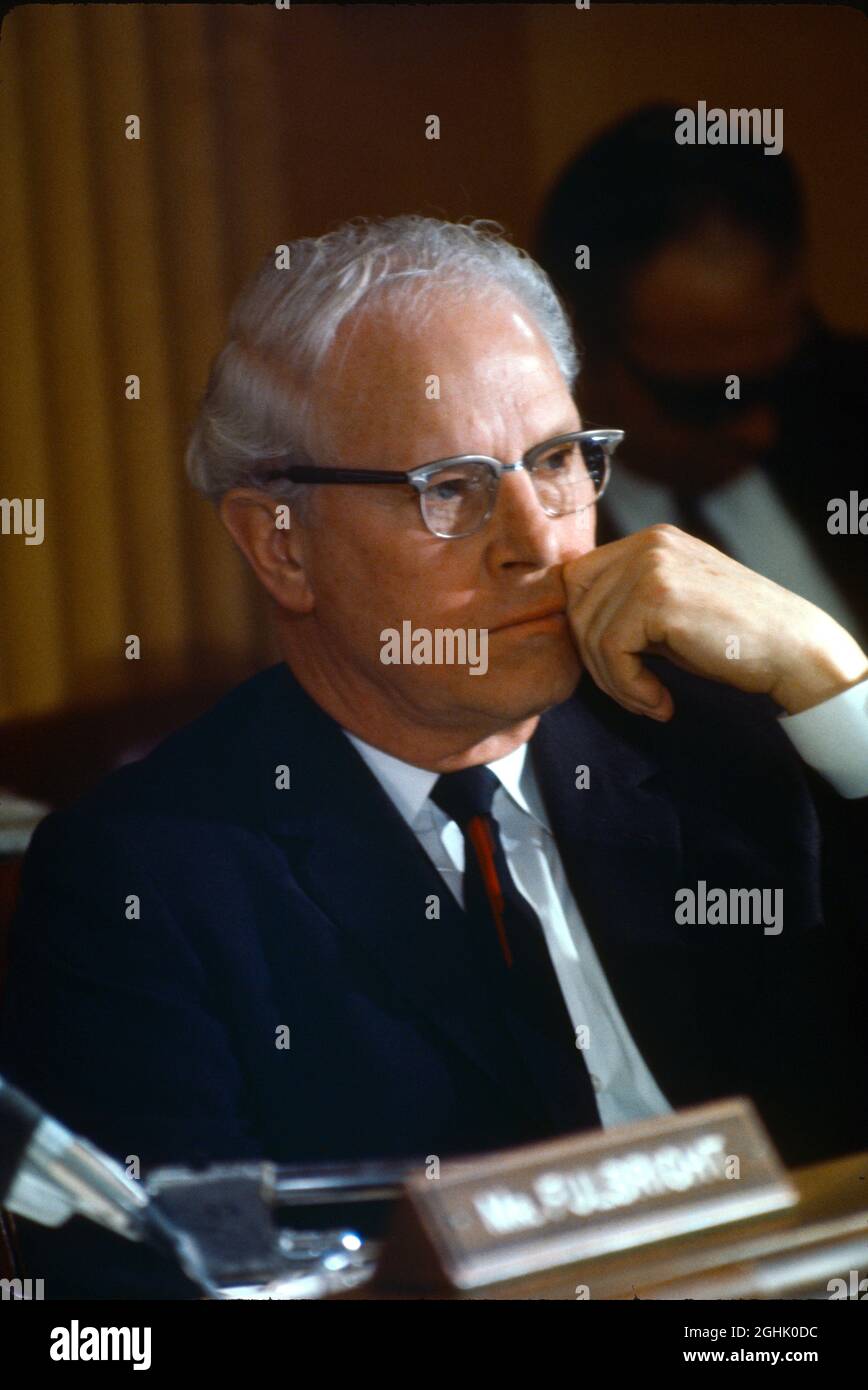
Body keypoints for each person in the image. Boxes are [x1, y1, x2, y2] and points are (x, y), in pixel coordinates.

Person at [1, 216, 866, 1298]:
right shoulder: (147, 884)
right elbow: (139, 1295)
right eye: (448, 487)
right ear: (281, 542)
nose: (536, 540)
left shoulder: (727, 737)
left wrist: (842, 689)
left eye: (555, 461)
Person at [534, 104, 868, 646]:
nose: (758, 429)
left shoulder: (850, 414)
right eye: (705, 400)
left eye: (779, 378)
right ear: (577, 350)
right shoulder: (530, 546)